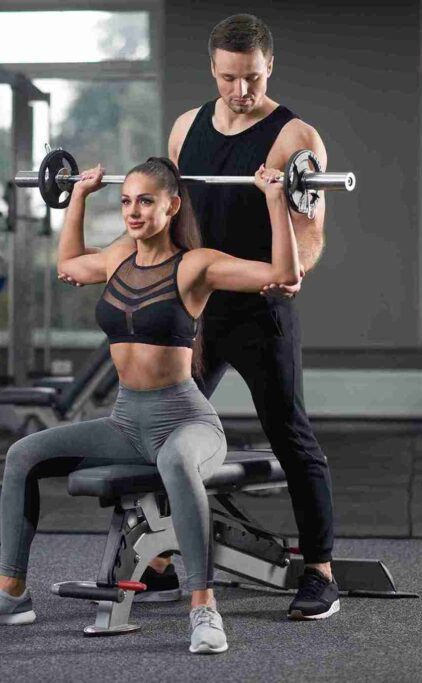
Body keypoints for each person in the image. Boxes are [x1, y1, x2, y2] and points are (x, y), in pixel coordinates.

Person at [0, 156, 299, 655]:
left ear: (172, 205)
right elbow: (68, 264)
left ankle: (204, 609)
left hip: (186, 422)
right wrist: (79, 198)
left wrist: (275, 198)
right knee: (23, 454)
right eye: (126, 201)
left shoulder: (195, 265)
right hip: (126, 422)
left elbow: (284, 272)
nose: (133, 212)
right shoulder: (117, 258)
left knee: (176, 460)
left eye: (146, 201)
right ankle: (10, 594)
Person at [143, 13, 339, 621]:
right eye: (229, 78)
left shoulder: (294, 138)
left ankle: (320, 573)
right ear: (214, 69)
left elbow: (310, 235)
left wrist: (290, 274)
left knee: (289, 434)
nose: (240, 91)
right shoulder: (185, 129)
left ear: (269, 66)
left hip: (261, 305)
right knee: (159, 426)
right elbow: (177, 219)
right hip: (198, 306)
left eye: (251, 78)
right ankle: (159, 557)